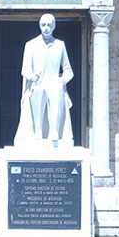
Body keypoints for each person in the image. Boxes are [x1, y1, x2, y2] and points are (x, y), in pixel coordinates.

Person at [14, 14, 74, 144]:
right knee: (38, 91)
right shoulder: (31, 45)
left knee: (57, 91)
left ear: (53, 26)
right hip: (38, 82)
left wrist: (63, 79)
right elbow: (25, 69)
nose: (46, 28)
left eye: (49, 25)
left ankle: (54, 130)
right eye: (43, 25)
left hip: (54, 81)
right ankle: (38, 129)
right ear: (39, 26)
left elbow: (68, 70)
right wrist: (31, 75)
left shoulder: (60, 45)